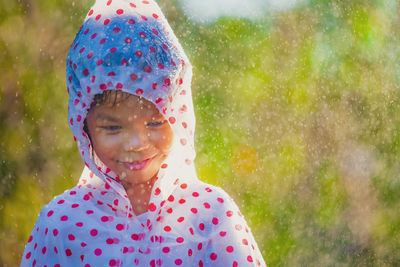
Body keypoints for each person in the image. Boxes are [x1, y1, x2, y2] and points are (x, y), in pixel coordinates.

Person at [20, 0, 266, 266]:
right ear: (83, 125)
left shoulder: (212, 216)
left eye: (156, 123)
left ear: (178, 114)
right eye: (113, 127)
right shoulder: (61, 225)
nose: (137, 143)